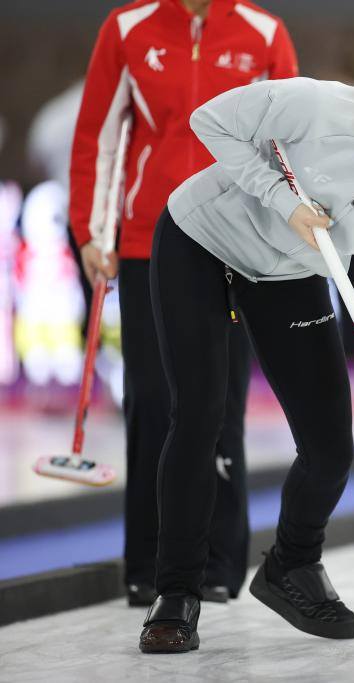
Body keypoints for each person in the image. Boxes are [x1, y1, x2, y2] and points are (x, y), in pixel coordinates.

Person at [137, 48, 354, 653]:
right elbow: (210, 120)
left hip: (289, 275)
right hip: (202, 241)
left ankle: (291, 565)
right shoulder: (324, 106)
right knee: (200, 417)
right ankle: (176, 594)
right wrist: (285, 201)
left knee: (331, 448)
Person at [69, 0, 298, 605]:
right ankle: (148, 565)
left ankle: (221, 564)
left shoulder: (264, 34)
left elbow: (284, 148)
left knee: (220, 400)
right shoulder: (126, 29)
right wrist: (92, 232)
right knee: (154, 398)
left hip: (236, 243)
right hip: (149, 241)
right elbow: (98, 133)